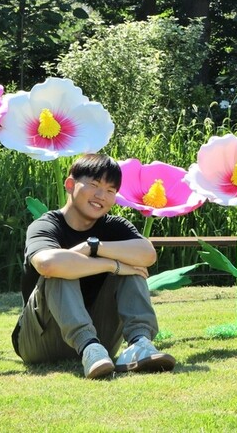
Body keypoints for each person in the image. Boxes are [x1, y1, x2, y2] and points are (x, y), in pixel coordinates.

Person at [11, 153, 175, 379]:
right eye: (95, 185)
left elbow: (147, 254)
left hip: (103, 341)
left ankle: (139, 343)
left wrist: (93, 247)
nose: (102, 196)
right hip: (40, 340)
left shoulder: (115, 227)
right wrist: (112, 265)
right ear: (70, 185)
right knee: (62, 266)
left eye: (110, 190)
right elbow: (48, 264)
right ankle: (87, 345)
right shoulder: (46, 225)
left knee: (132, 263)